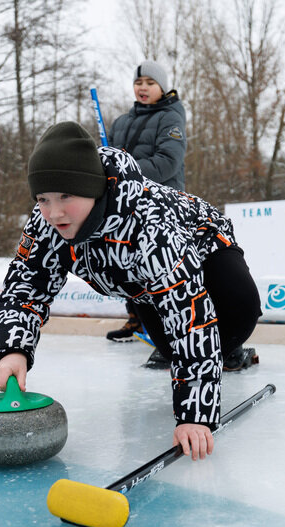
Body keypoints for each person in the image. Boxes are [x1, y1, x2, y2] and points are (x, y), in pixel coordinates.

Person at [0, 122, 262, 460]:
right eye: (43, 199)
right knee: (169, 346)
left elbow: (188, 315)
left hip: (205, 244)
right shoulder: (45, 225)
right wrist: (13, 349)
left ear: (91, 189)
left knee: (236, 313)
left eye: (66, 196)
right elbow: (25, 286)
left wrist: (195, 416)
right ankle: (207, 349)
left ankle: (227, 350)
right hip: (140, 282)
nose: (54, 212)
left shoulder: (151, 226)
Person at [104, 60, 187, 366]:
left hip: (161, 201)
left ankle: (168, 329)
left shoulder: (171, 117)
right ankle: (137, 318)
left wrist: (124, 171)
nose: (143, 88)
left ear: (162, 87)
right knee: (127, 261)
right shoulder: (122, 121)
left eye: (150, 83)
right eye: (139, 83)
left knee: (158, 265)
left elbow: (168, 162)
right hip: (125, 202)